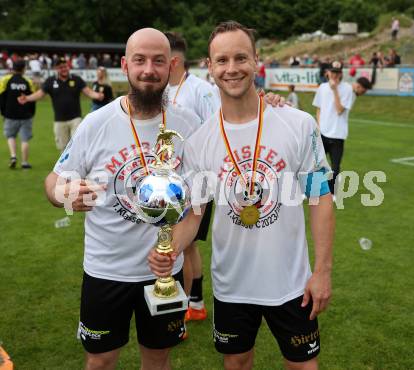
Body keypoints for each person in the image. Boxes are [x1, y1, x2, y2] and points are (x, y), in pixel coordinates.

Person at [150, 20, 335, 370]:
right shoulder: (201, 140)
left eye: (240, 58)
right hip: (232, 284)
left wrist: (322, 271)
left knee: (303, 367)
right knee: (236, 363)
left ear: (255, 61)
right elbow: (195, 214)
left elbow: (320, 198)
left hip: (291, 281)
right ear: (209, 66)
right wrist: (171, 246)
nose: (231, 68)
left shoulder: (297, 123)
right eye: (222, 60)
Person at [44, 28, 200, 370]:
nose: (149, 69)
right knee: (100, 360)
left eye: (158, 61)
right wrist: (63, 193)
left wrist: (172, 248)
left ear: (171, 65)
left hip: (163, 272)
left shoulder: (189, 125)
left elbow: (197, 208)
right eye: (140, 60)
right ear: (125, 65)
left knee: (158, 359)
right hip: (105, 269)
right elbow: (54, 180)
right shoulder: (96, 123)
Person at [165, 31, 220, 322]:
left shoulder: (201, 90)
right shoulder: (162, 90)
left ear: (173, 61)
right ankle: (195, 304)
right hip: (169, 183)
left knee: (179, 244)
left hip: (196, 183)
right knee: (188, 246)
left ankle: (179, 311)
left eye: (160, 58)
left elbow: (217, 133)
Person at [18, 57, 104, 151]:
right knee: (63, 148)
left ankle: (79, 165)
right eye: (61, 67)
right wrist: (27, 98)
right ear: (56, 69)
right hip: (59, 120)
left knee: (78, 145)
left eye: (65, 66)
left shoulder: (76, 79)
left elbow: (88, 92)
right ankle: (66, 166)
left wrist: (97, 95)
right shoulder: (50, 81)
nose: (64, 69)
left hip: (76, 119)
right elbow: (40, 94)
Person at [312, 62, 371, 195]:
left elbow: (339, 110)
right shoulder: (322, 87)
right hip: (323, 132)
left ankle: (331, 193)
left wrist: (335, 90)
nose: (333, 75)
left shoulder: (348, 90)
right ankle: (313, 189)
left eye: (336, 72)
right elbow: (318, 109)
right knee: (316, 163)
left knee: (335, 166)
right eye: (331, 72)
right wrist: (319, 126)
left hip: (338, 134)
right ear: (328, 73)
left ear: (340, 74)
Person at [0, 59, 36, 169]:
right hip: (26, 115)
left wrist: (3, 112)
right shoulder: (28, 81)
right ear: (24, 69)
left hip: (10, 114)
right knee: (24, 139)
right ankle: (24, 162)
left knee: (10, 136)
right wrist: (32, 113)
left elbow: (1, 97)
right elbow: (32, 99)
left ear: (12, 68)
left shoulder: (5, 80)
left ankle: (13, 156)